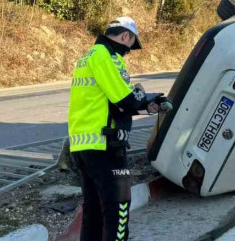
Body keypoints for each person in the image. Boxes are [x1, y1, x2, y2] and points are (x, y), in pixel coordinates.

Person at [67, 16, 172, 241]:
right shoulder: (105, 57)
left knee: (93, 211)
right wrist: (149, 99)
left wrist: (146, 104)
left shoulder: (86, 58)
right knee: (119, 207)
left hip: (84, 145)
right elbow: (124, 98)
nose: (127, 53)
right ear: (125, 36)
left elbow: (111, 102)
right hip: (106, 145)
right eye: (130, 46)